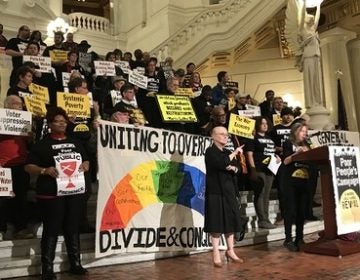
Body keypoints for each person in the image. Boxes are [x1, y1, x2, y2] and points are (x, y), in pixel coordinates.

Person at [25, 107, 89, 279]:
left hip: (74, 192)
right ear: (50, 124)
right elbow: (28, 166)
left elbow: (86, 160)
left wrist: (85, 166)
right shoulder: (42, 144)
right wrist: (44, 170)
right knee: (51, 229)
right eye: (58, 121)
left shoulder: (76, 142)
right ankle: (47, 268)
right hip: (50, 193)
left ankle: (75, 263)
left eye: (64, 121)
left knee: (72, 227)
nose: (62, 124)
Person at [204, 126, 245, 267]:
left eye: (226, 135)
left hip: (229, 191)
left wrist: (234, 168)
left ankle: (231, 250)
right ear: (213, 136)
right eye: (221, 134)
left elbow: (237, 168)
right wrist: (233, 155)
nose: (225, 137)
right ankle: (216, 253)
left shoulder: (227, 152)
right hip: (215, 191)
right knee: (216, 222)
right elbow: (221, 163)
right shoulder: (210, 152)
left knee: (230, 221)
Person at [0, 95, 33, 240]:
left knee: (21, 198)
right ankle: (1, 229)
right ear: (7, 105)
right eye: (15, 104)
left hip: (21, 165)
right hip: (3, 166)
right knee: (2, 200)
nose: (19, 106)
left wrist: (31, 135)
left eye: (20, 104)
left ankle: (21, 228)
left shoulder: (24, 121)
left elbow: (28, 141)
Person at [282, 122, 312, 252]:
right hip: (290, 181)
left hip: (304, 181)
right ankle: (288, 239)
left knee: (301, 211)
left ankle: (299, 238)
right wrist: (297, 154)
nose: (304, 134)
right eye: (302, 131)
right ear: (295, 132)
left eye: (305, 132)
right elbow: (286, 161)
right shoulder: (289, 143)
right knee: (290, 210)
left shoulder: (308, 145)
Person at [246, 116, 279, 229]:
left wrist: (277, 157)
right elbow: (249, 154)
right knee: (260, 194)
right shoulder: (253, 138)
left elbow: (271, 152)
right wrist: (253, 169)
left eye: (266, 123)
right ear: (257, 125)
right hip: (259, 169)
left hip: (270, 169)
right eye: (262, 123)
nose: (265, 125)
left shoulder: (270, 138)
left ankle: (266, 219)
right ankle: (262, 219)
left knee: (266, 195)